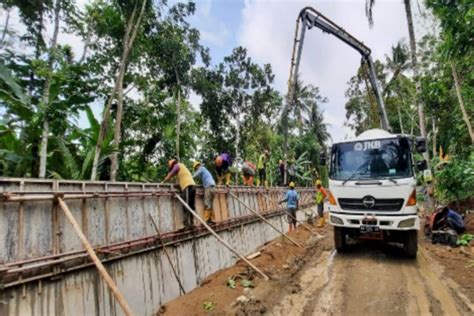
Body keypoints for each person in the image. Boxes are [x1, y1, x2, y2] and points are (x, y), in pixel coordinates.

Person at [161, 159, 196, 229]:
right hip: (193, 185)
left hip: (187, 186)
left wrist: (163, 181)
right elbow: (177, 180)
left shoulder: (177, 166)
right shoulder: (182, 168)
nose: (171, 169)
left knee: (185, 204)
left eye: (171, 168)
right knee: (191, 205)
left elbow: (170, 174)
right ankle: (192, 223)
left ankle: (185, 224)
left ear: (173, 165)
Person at [193, 161, 216, 225]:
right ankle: (212, 219)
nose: (196, 169)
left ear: (197, 166)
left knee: (207, 204)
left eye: (195, 168)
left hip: (208, 187)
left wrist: (190, 178)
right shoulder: (205, 171)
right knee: (210, 204)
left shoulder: (201, 168)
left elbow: (195, 175)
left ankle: (206, 221)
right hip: (213, 187)